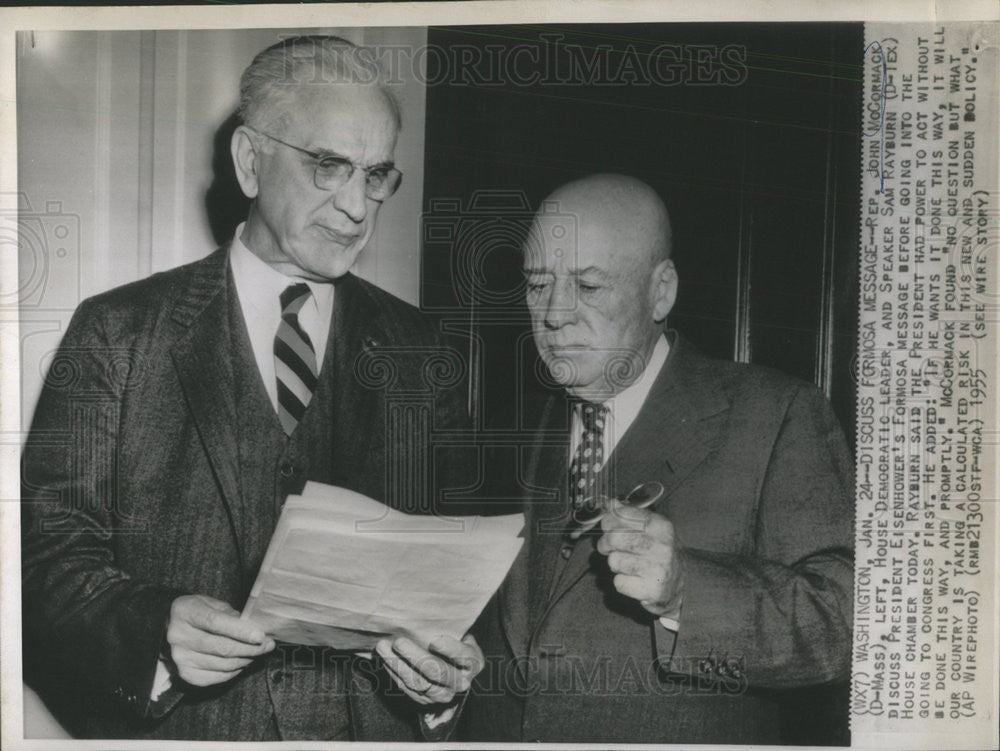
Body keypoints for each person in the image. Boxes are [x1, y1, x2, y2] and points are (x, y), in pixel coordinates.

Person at [20, 35, 481, 741]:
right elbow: (45, 559)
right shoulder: (117, 332)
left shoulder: (424, 351)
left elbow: (457, 580)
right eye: (329, 165)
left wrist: (442, 683)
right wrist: (154, 629)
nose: (358, 206)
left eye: (376, 173)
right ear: (249, 160)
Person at [459, 174, 854, 744]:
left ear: (660, 291)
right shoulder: (509, 426)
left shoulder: (775, 414)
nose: (552, 314)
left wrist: (685, 590)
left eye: (588, 287)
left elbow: (842, 628)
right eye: (537, 284)